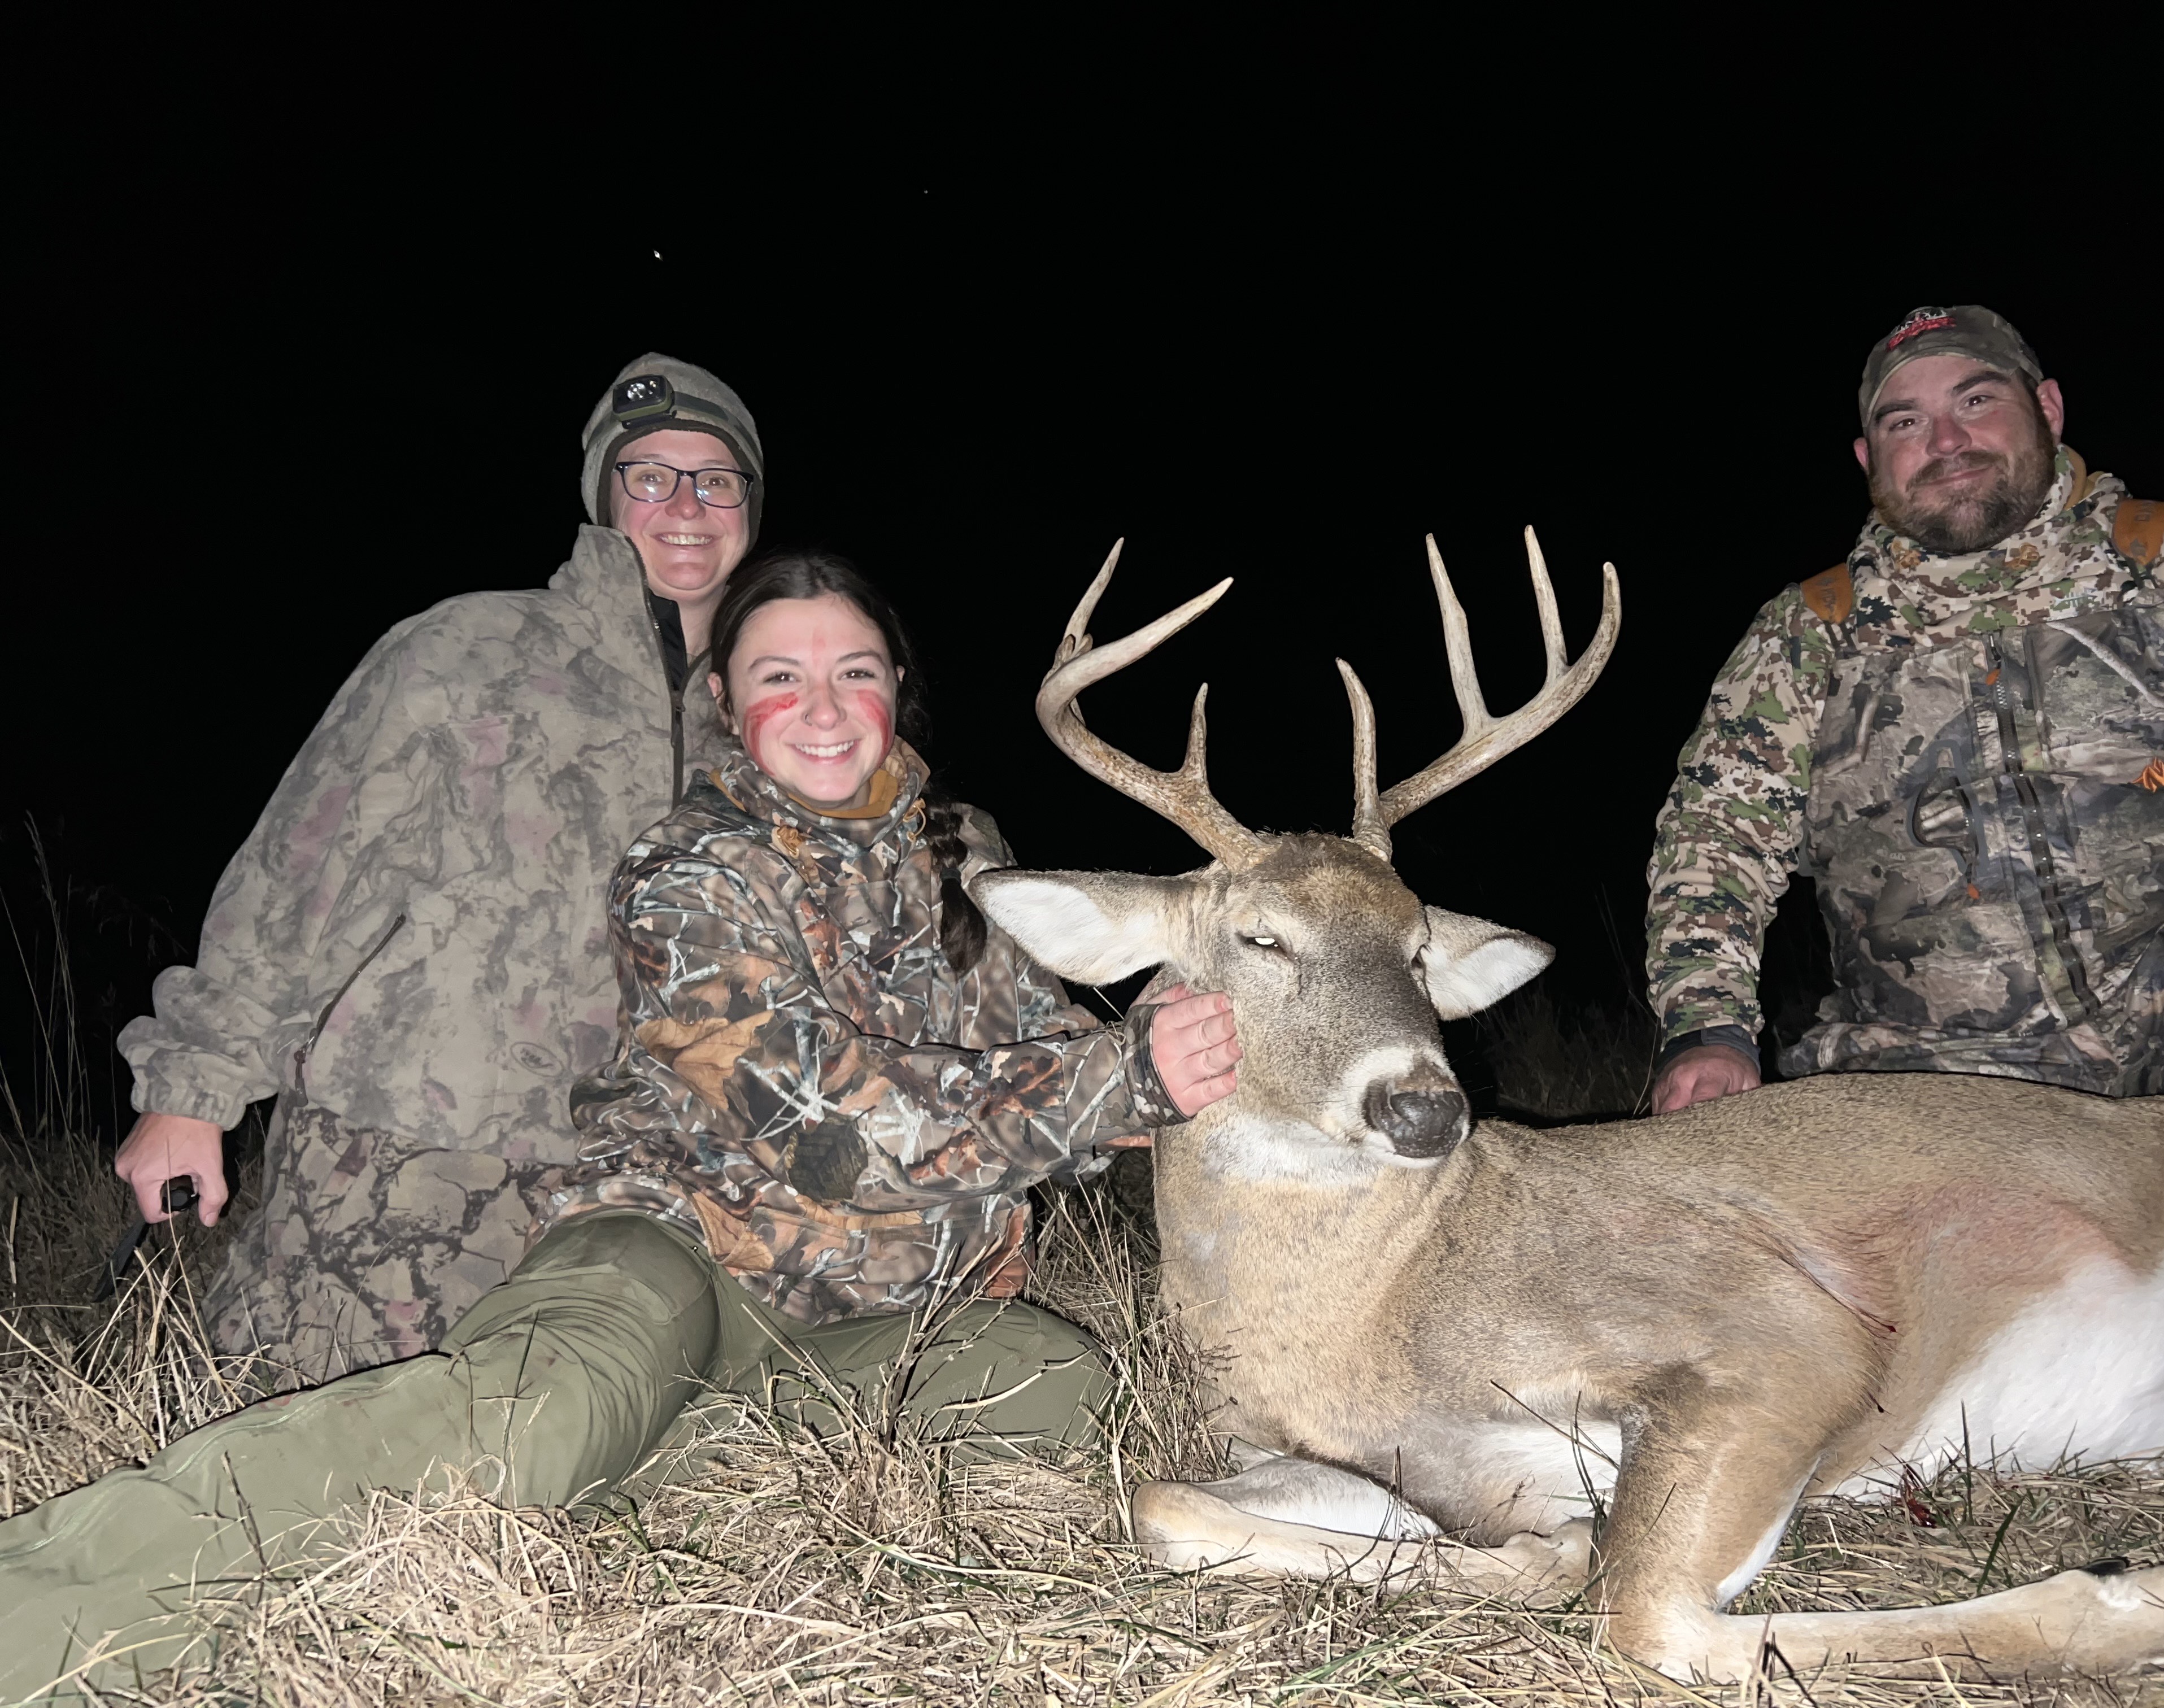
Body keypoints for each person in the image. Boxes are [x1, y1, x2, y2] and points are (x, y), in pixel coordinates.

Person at [0, 549, 1239, 1702]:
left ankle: (623, 1466)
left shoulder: (968, 856)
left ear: (896, 691)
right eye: (781, 677)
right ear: (727, 703)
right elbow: (827, 1135)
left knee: (1060, 1383)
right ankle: (43, 1607)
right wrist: (1122, 1080)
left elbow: (1049, 1062)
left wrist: (1187, 1039)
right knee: (538, 1413)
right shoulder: (688, 870)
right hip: (673, 1257)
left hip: (865, 1321)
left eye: (855, 673)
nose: (822, 707)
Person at [110, 355, 765, 1383]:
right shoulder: (466, 649)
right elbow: (305, 875)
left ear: (750, 508)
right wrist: (192, 1089)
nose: (685, 505)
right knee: (330, 1426)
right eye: (650, 476)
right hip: (407, 1149)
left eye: (716, 480)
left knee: (591, 1441)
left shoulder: (775, 712)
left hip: (637, 1183)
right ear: (604, 497)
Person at [1647, 305, 2164, 1116]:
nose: (1947, 442)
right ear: (1869, 458)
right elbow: (1715, 837)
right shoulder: (1809, 635)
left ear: (2047, 409)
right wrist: (1708, 1030)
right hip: (1940, 1072)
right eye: (1907, 422)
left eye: (1976, 401)